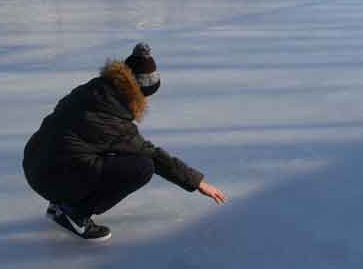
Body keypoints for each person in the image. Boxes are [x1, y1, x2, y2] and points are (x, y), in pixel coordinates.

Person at [23, 43, 227, 241]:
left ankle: (61, 203)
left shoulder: (95, 90)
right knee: (141, 166)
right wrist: (198, 182)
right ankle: (73, 212)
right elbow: (152, 156)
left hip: (36, 161)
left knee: (104, 152)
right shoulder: (113, 119)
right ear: (138, 91)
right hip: (50, 176)